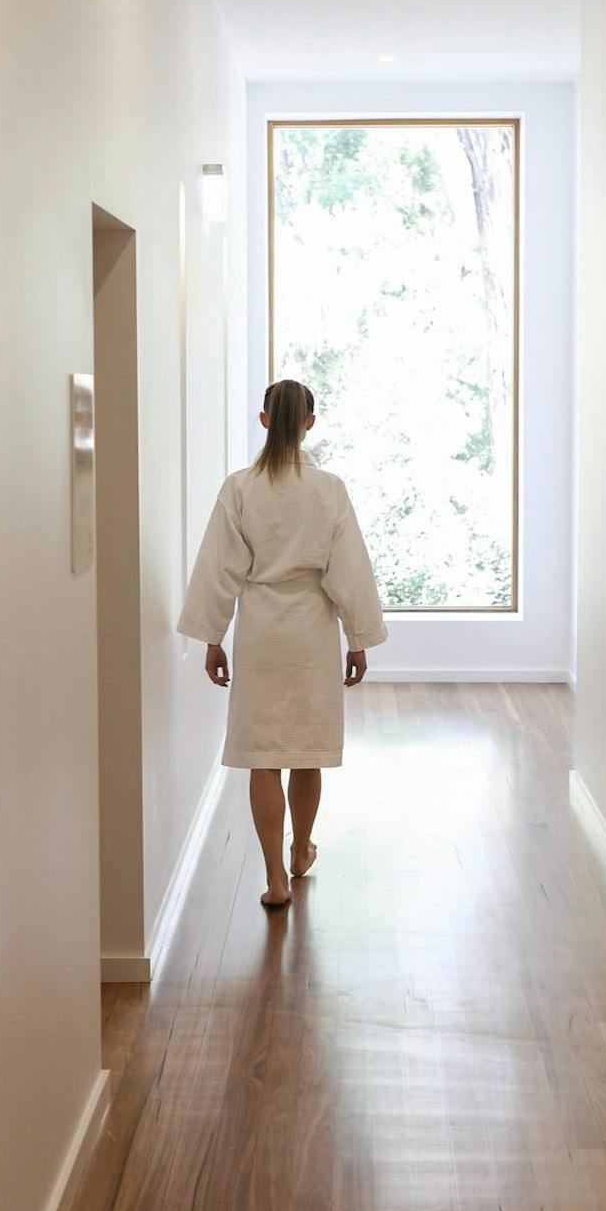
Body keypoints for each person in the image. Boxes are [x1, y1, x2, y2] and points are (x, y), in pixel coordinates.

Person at [178, 378, 387, 908]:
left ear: (265, 420)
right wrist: (357, 639)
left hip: (261, 633)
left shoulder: (240, 488)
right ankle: (300, 849)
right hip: (311, 632)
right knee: (306, 752)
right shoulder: (329, 489)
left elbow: (219, 569)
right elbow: (349, 571)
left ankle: (274, 878)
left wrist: (213, 638)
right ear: (310, 424)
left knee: (264, 756)